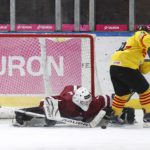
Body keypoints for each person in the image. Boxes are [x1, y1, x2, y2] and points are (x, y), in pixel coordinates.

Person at [13, 85, 135, 128]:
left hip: (78, 93)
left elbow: (112, 98)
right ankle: (21, 114)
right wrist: (50, 114)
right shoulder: (66, 101)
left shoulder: (94, 102)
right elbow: (45, 101)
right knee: (45, 112)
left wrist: (125, 104)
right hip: (68, 90)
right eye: (83, 103)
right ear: (76, 101)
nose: (86, 105)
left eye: (88, 102)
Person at [110, 25, 150, 127]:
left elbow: (142, 69)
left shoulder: (133, 45)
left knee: (122, 95)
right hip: (126, 66)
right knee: (145, 90)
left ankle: (114, 116)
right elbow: (146, 38)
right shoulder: (141, 33)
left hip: (114, 67)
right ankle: (148, 115)